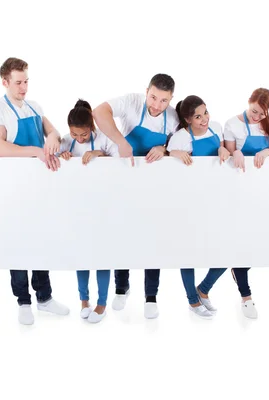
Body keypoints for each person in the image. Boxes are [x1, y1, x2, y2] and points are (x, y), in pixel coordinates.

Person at [0, 57, 69, 325]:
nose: (24, 87)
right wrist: (36, 151)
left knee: (41, 240)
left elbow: (53, 131)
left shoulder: (35, 105)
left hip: (39, 186)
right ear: (5, 82)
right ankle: (23, 301)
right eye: (18, 82)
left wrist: (54, 138)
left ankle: (44, 297)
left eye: (26, 81)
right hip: (12, 188)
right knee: (18, 243)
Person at [92, 73, 179, 319]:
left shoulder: (173, 118)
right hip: (124, 179)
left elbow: (180, 144)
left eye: (164, 101)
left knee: (153, 239)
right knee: (121, 234)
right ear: (146, 91)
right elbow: (99, 112)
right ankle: (122, 287)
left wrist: (164, 148)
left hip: (154, 186)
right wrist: (120, 141)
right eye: (153, 97)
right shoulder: (131, 102)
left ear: (171, 99)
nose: (156, 105)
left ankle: (151, 296)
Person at [223, 88, 269, 319]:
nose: (257, 117)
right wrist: (235, 154)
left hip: (267, 193)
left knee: (262, 242)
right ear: (248, 102)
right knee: (240, 245)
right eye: (254, 111)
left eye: (262, 114)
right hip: (239, 191)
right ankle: (246, 297)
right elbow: (226, 156)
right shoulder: (232, 124)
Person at [167, 95, 228, 318]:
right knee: (188, 253)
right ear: (187, 119)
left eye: (205, 113)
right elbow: (166, 161)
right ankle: (192, 301)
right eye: (198, 116)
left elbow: (223, 151)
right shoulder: (181, 138)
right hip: (190, 203)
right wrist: (174, 153)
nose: (204, 119)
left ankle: (203, 289)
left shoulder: (217, 128)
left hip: (216, 200)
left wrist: (223, 149)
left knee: (226, 252)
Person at [60, 99, 117, 323]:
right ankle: (84, 301)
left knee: (101, 256)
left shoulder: (104, 139)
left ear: (92, 127)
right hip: (77, 208)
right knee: (81, 256)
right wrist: (63, 157)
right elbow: (53, 167)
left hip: (102, 207)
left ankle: (102, 304)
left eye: (83, 135)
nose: (80, 139)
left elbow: (120, 161)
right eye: (75, 135)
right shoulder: (67, 142)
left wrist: (98, 154)